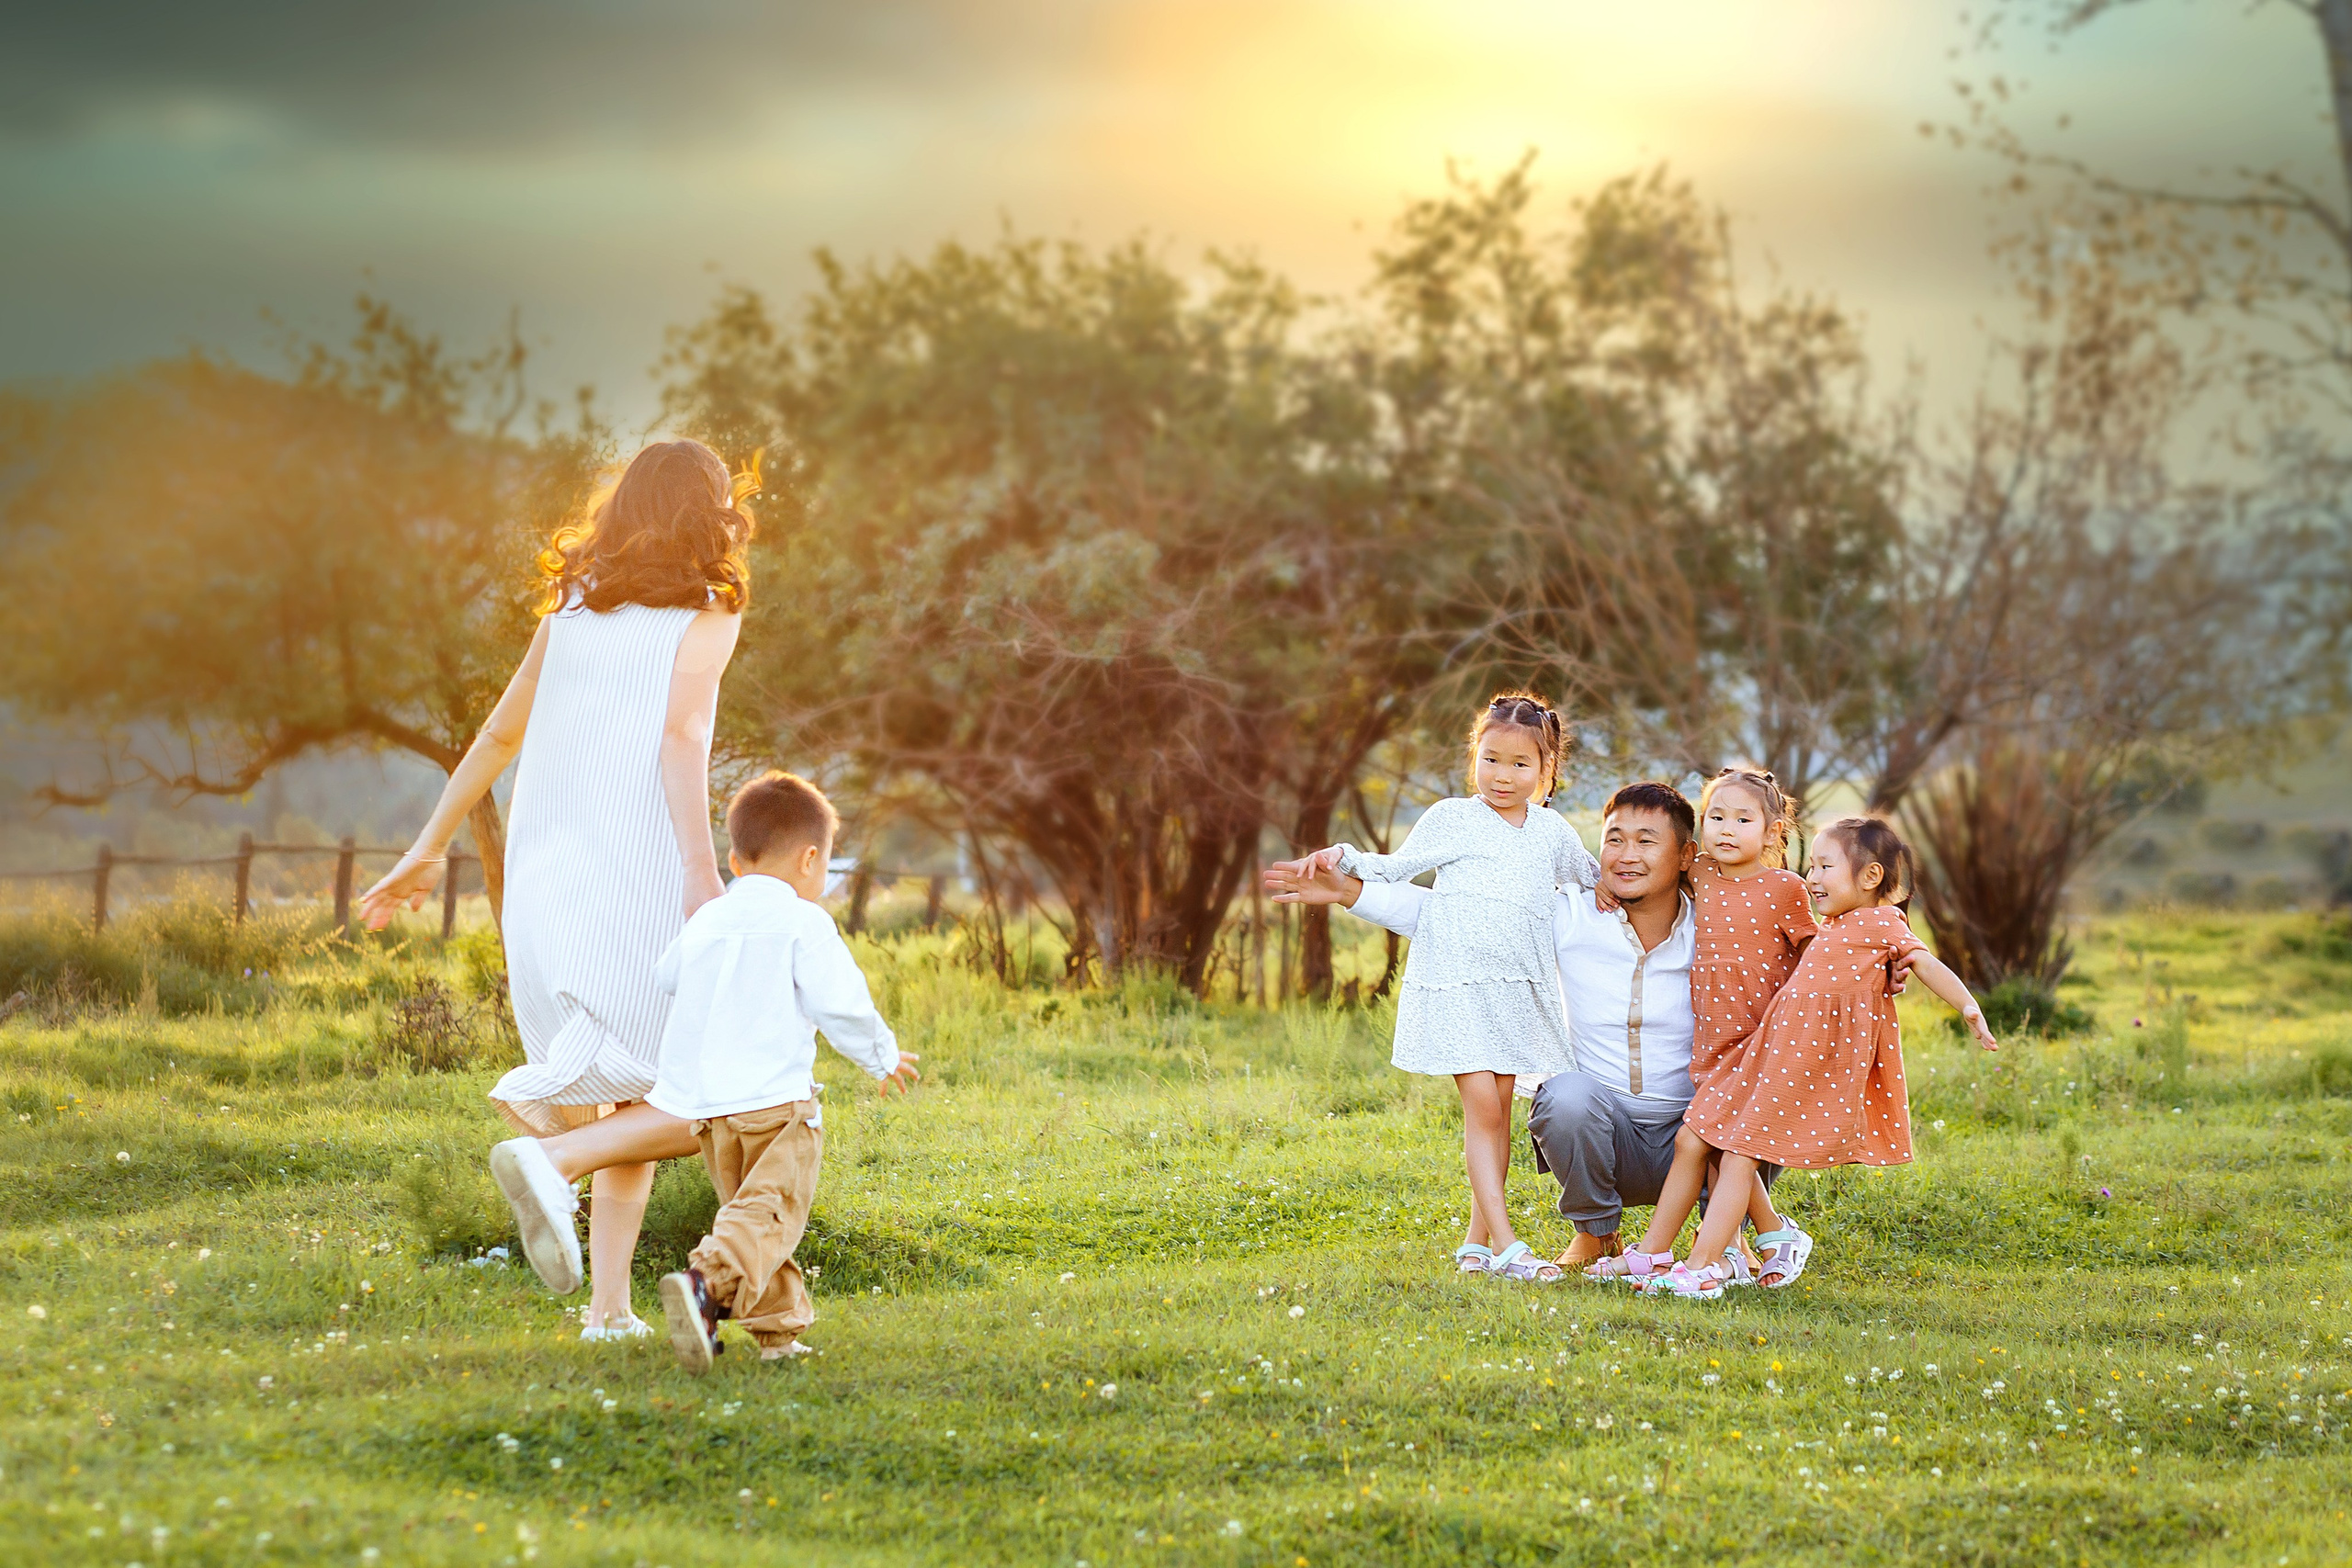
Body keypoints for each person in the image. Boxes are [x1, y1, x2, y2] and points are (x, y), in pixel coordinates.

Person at [358, 440, 752, 1336]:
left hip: (545, 880)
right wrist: (700, 870)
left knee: (619, 1096)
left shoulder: (572, 609)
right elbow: (683, 740)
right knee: (700, 1096)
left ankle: (607, 1310)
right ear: (708, 512)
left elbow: (497, 737)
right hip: (639, 866)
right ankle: (555, 1162)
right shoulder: (710, 610)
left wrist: (429, 847)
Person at [1272, 782, 1702, 1274]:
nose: (1626, 855)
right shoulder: (1568, 915)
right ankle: (1597, 1234)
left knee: (1734, 1096)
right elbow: (1451, 917)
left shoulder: (1714, 930)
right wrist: (1350, 891)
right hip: (1604, 1130)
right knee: (1564, 1098)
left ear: (1686, 854)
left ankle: (1728, 1237)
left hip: (1688, 1129)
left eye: (1646, 841)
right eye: (1614, 839)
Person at [1303, 693, 1600, 1284]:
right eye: (1491, 759)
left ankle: (1475, 1243)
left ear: (1547, 770)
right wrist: (1343, 857)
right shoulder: (1451, 817)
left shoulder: (1551, 832)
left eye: (1521, 764)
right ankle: (1510, 1246)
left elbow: (1595, 883)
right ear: (1475, 758)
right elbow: (1394, 867)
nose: (1503, 776)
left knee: (1499, 1117)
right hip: (1458, 982)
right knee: (1484, 1108)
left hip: (1519, 991)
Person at [1642, 815, 1998, 1300]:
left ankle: (1702, 1266)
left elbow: (1922, 960)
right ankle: (1753, 1242)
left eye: (1825, 867)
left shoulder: (1881, 922)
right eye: (1812, 866)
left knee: (1739, 1152)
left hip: (1802, 1062)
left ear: (1870, 877)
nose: (1811, 878)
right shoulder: (1835, 923)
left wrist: (1968, 1006)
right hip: (1768, 1050)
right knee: (1699, 1136)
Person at [639, 772, 921, 1371]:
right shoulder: (803, 921)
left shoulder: (709, 919)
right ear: (810, 858)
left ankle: (778, 1334)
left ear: (736, 860)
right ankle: (703, 1283)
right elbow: (841, 1003)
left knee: (758, 1218)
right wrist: (882, 1054)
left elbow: (666, 977)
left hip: (712, 1111)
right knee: (771, 1210)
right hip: (777, 1104)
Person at [1590, 767, 1818, 1287]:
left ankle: (1694, 1258)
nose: (1727, 828)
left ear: (1772, 831)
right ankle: (1768, 1237)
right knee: (1709, 1143)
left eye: (1743, 819)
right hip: (1714, 1040)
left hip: (1762, 1039)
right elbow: (1650, 871)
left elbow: (1817, 952)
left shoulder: (1786, 888)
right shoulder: (1704, 875)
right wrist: (1604, 879)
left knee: (1710, 1143)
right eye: (1717, 816)